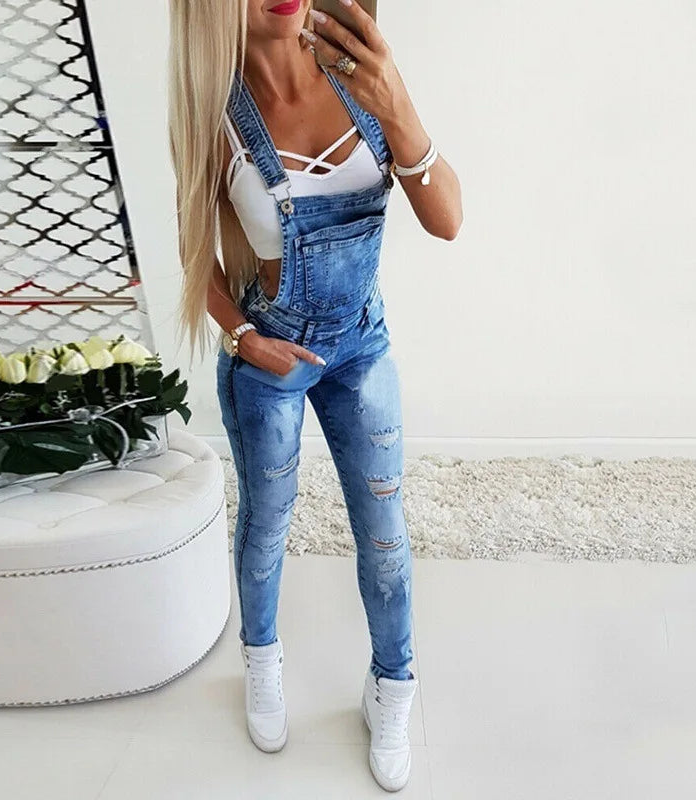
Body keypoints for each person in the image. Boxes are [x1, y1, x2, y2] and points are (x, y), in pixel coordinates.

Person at [167, 0, 462, 791]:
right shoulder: (216, 112)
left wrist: (397, 103)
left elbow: (448, 220)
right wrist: (244, 338)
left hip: (363, 348)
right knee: (266, 525)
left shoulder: (360, 76)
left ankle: (392, 686)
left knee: (386, 535)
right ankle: (262, 661)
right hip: (271, 358)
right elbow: (194, 252)